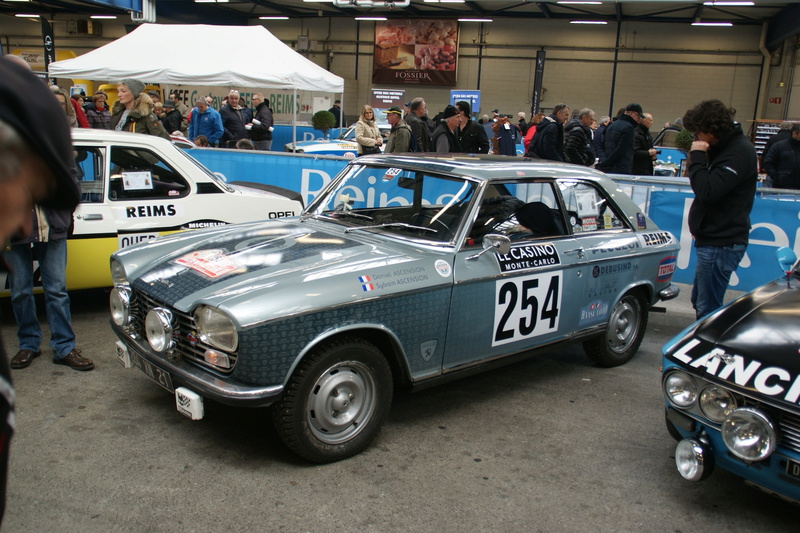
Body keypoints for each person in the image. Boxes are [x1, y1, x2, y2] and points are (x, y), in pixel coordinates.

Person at [0, 55, 84, 523]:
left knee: (56, 291)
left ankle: (64, 347)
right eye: (28, 182)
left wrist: (59, 212)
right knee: (20, 294)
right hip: (27, 242)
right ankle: (30, 343)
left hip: (51, 234)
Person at [682, 99, 758, 319]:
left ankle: (709, 349)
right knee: (701, 301)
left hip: (721, 241)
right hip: (713, 238)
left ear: (711, 130)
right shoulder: (724, 148)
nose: (696, 139)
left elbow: (707, 191)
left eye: (698, 133)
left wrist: (696, 157)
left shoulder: (738, 152)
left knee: (708, 308)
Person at [598, 103, 643, 174]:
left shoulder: (612, 125)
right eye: (638, 116)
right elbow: (621, 149)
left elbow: (602, 145)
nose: (639, 119)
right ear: (631, 113)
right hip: (621, 167)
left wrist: (604, 162)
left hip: (608, 166)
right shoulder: (629, 127)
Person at [762, 123, 800, 190]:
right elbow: (768, 162)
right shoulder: (779, 146)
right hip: (781, 186)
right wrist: (776, 177)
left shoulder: (776, 142)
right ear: (794, 133)